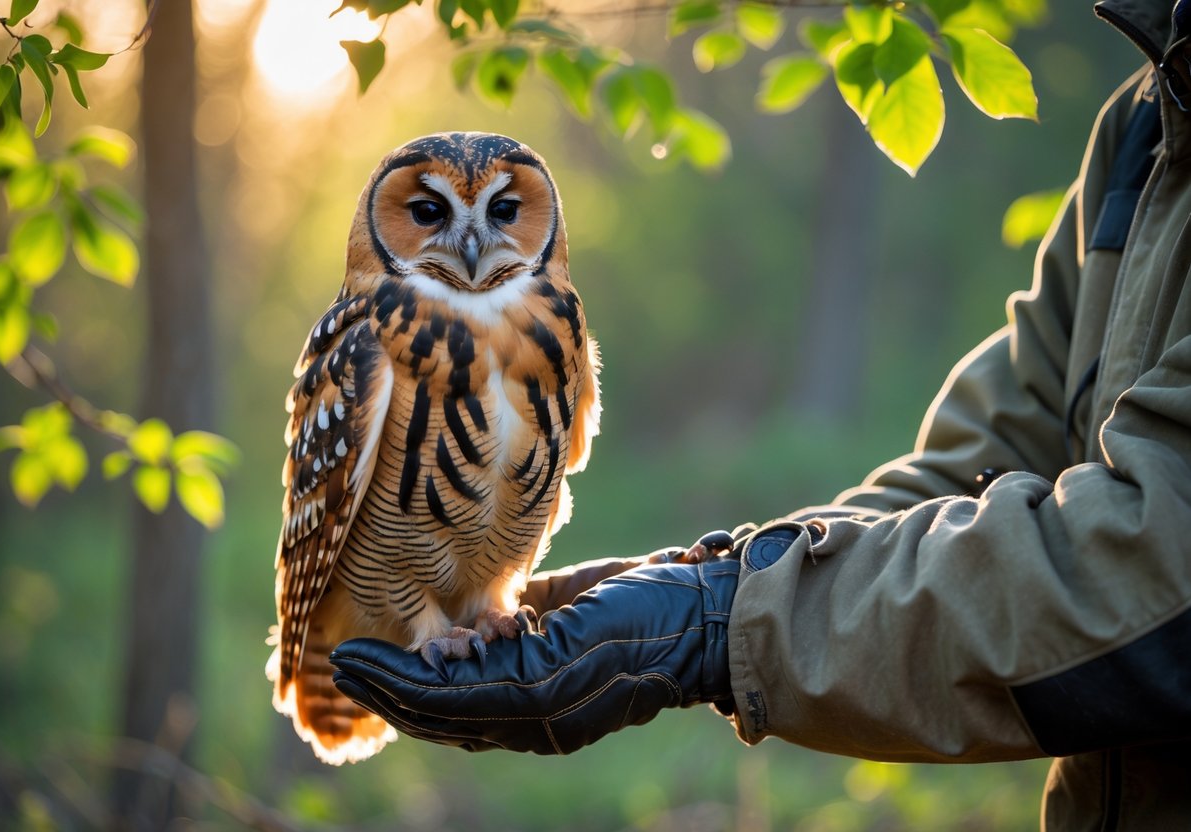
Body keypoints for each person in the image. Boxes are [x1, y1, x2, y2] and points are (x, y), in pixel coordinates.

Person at [328, 0, 1191, 827]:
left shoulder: (556, 329)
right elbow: (981, 467)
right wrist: (717, 579)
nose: (472, 243)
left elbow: (1161, 566)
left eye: (505, 214)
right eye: (430, 216)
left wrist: (710, 620)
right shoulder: (1148, 119)